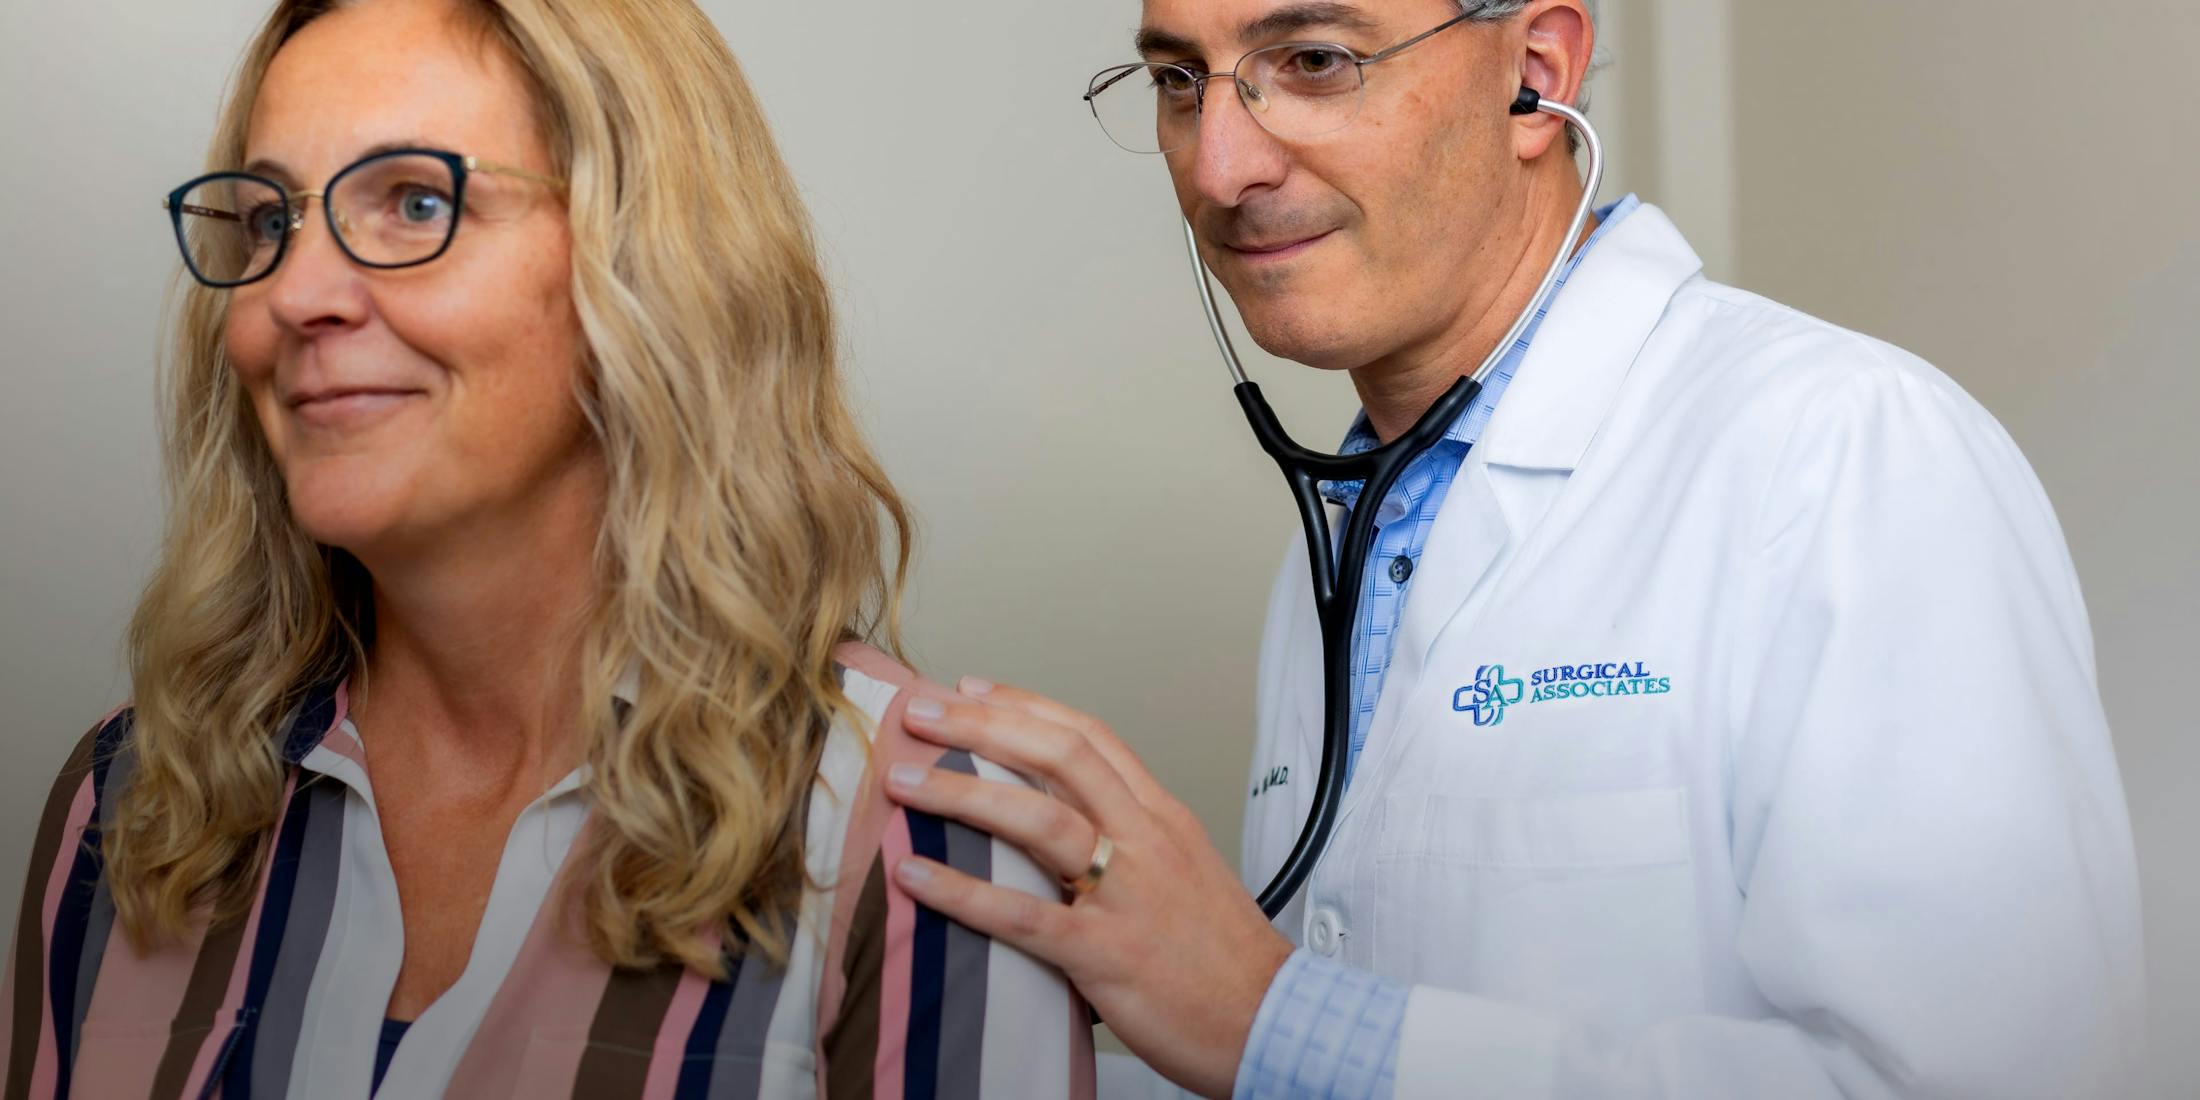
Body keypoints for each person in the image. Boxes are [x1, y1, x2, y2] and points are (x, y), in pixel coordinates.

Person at [879, 1, 2147, 1097]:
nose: (1218, 166)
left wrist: (1271, 1020)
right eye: (1176, 78)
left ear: (1534, 72)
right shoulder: (1347, 544)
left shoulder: (1844, 451)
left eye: (1313, 59)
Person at [4, 1, 1093, 1097]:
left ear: (651, 267)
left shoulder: (929, 838)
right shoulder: (132, 803)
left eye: (416, 202)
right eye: (270, 224)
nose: (295, 296)